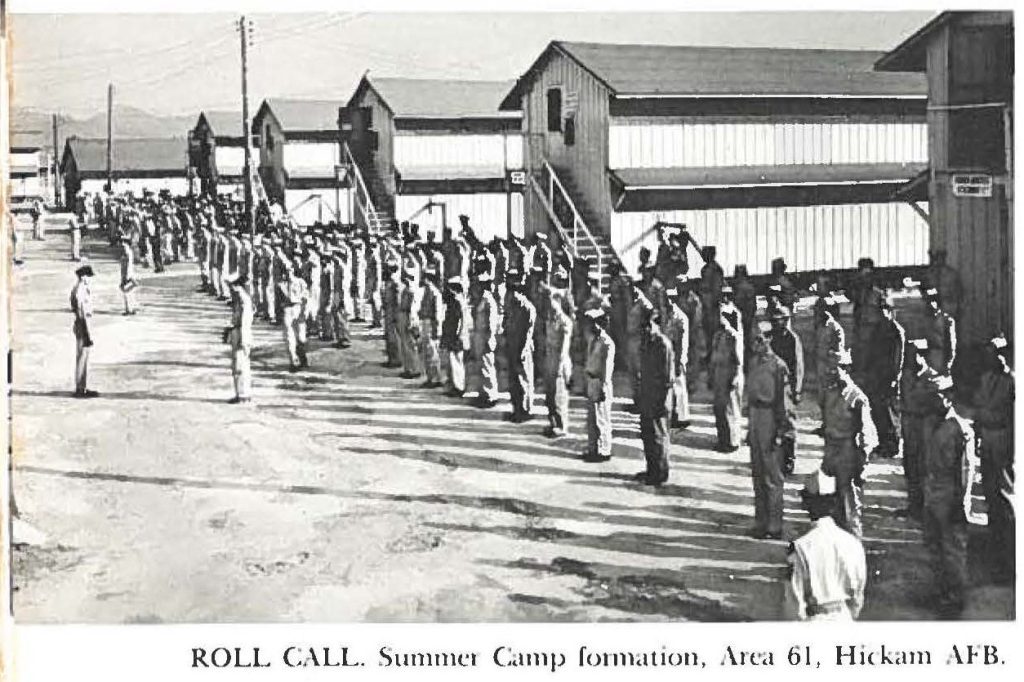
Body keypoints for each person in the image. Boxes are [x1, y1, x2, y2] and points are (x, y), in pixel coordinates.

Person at [785, 469, 867, 621]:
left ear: (805, 504)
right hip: (844, 618)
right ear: (835, 504)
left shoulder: (800, 547)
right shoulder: (853, 543)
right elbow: (857, 597)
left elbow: (794, 602)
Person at [923, 377, 975, 617]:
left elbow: (965, 471)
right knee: (935, 545)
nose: (935, 400)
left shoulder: (959, 429)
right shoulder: (932, 424)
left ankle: (955, 598)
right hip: (933, 491)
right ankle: (940, 591)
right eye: (931, 395)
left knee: (952, 549)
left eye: (940, 395)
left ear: (949, 397)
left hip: (950, 494)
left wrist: (960, 503)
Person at [968, 335, 1015, 583]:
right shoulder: (985, 379)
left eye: (997, 353)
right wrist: (977, 438)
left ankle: (1009, 559)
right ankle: (994, 549)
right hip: (987, 442)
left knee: (1005, 499)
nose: (992, 358)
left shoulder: (1013, 383)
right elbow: (977, 410)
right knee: (989, 495)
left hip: (1004, 444)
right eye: (989, 353)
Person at [820, 349, 877, 538]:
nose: (832, 372)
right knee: (832, 504)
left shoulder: (857, 398)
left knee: (849, 505)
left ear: (846, 369)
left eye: (837, 368)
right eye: (830, 367)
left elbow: (866, 437)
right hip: (831, 450)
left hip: (848, 451)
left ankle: (854, 544)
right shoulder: (829, 393)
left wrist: (862, 466)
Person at [747, 325, 795, 539]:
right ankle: (761, 521)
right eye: (753, 339)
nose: (755, 343)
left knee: (772, 476)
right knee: (757, 473)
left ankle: (774, 526)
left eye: (760, 339)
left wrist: (781, 430)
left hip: (770, 418)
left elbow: (784, 403)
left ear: (769, 339)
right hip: (755, 416)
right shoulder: (754, 362)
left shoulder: (779, 366)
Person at [860, 295, 905, 459]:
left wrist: (895, 378)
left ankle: (892, 445)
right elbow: (870, 352)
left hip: (888, 378)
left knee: (889, 412)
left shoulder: (896, 331)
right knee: (877, 411)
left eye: (885, 309)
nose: (881, 313)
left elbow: (899, 357)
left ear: (890, 311)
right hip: (876, 376)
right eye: (879, 310)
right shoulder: (877, 329)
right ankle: (883, 441)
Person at [636, 305, 674, 486]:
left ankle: (660, 472)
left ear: (657, 324)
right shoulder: (646, 342)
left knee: (658, 435)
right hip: (647, 394)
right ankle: (651, 468)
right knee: (647, 434)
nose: (645, 329)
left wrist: (661, 401)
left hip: (659, 396)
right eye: (643, 325)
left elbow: (668, 378)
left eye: (649, 325)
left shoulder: (663, 344)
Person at [767, 301, 803, 474]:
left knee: (788, 424)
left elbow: (798, 367)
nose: (775, 323)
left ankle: (789, 460)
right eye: (773, 320)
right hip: (772, 385)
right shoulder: (771, 337)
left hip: (787, 387)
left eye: (779, 320)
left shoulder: (791, 339)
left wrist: (796, 391)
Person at [582, 308, 615, 462]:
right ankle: (593, 448)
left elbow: (607, 367)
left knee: (601, 418)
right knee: (592, 419)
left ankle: (603, 450)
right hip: (591, 379)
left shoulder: (607, 343)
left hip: (600, 381)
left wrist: (603, 385)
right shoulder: (592, 340)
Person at [543, 273, 573, 438]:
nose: (552, 310)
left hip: (559, 362)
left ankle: (562, 425)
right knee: (550, 395)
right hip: (550, 359)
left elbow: (563, 348)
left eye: (554, 307)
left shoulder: (565, 323)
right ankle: (553, 422)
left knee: (559, 395)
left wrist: (559, 367)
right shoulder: (550, 320)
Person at [709, 307, 743, 452]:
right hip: (718, 374)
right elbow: (713, 357)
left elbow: (738, 361)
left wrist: (734, 378)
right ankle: (722, 439)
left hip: (729, 374)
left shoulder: (733, 336)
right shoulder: (718, 335)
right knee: (719, 409)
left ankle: (733, 441)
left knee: (731, 409)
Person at [504, 276, 537, 422]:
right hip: (512, 346)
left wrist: (522, 350)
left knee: (523, 379)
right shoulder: (512, 306)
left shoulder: (527, 309)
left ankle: (525, 410)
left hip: (523, 348)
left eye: (514, 291)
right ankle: (516, 408)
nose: (512, 295)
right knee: (514, 380)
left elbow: (528, 332)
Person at [812, 295, 846, 436]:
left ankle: (831, 424)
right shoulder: (821, 327)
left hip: (830, 366)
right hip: (821, 364)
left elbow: (837, 350)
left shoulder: (834, 328)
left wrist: (831, 367)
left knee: (831, 398)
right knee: (822, 398)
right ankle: (825, 423)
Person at [224, 273, 254, 404]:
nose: (230, 288)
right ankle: (240, 393)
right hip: (237, 332)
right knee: (237, 364)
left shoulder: (243, 301)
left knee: (240, 365)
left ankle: (243, 394)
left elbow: (245, 322)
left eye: (232, 285)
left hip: (242, 334)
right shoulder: (239, 300)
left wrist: (243, 340)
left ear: (238, 286)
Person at [663, 287, 691, 429]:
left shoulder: (681, 318)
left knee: (679, 387)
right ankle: (673, 413)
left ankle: (683, 417)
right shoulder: (666, 315)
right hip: (668, 355)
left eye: (671, 298)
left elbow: (683, 342)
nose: (668, 301)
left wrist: (681, 361)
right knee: (670, 386)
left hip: (677, 354)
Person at [471, 273, 500, 408]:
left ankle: (490, 395)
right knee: (481, 366)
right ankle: (483, 393)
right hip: (480, 335)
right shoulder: (482, 299)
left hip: (486, 336)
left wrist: (490, 339)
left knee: (487, 366)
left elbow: (492, 324)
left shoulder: (489, 301)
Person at [70, 264, 98, 398]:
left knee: (83, 356)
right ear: (83, 276)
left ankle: (82, 387)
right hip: (82, 324)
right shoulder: (80, 290)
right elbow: (81, 311)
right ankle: (80, 389)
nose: (89, 279)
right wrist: (86, 332)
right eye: (88, 276)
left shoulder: (79, 288)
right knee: (82, 357)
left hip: (83, 323)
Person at [440, 277, 470, 397]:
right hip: (452, 334)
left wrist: (457, 336)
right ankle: (453, 385)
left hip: (456, 336)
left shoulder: (458, 301)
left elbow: (460, 321)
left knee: (456, 362)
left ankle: (459, 387)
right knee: (452, 361)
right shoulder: (455, 301)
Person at [279, 260, 310, 372]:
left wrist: (305, 311)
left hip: (298, 308)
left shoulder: (300, 282)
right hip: (288, 309)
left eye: (290, 270)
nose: (288, 273)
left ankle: (302, 357)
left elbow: (306, 297)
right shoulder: (281, 284)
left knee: (301, 337)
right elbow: (278, 299)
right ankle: (294, 360)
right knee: (289, 336)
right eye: (286, 270)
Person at [418, 267, 444, 388]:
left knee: (432, 352)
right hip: (425, 322)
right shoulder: (427, 291)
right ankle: (430, 377)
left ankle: (435, 378)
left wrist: (437, 330)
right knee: (426, 352)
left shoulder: (435, 293)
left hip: (431, 324)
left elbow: (438, 314)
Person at [923, 287, 956, 376]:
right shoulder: (927, 318)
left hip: (942, 355)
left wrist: (948, 362)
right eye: (927, 301)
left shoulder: (946, 320)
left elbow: (950, 342)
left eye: (932, 301)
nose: (929, 304)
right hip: (931, 354)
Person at [926, 249, 964, 324]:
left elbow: (959, 292)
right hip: (938, 308)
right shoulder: (931, 274)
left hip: (948, 306)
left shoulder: (951, 274)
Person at [117, 236, 138, 316]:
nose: (122, 244)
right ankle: (131, 308)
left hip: (127, 274)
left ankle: (128, 309)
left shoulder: (127, 253)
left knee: (126, 292)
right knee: (129, 292)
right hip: (126, 274)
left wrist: (127, 276)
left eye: (124, 243)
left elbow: (128, 265)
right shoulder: (127, 252)